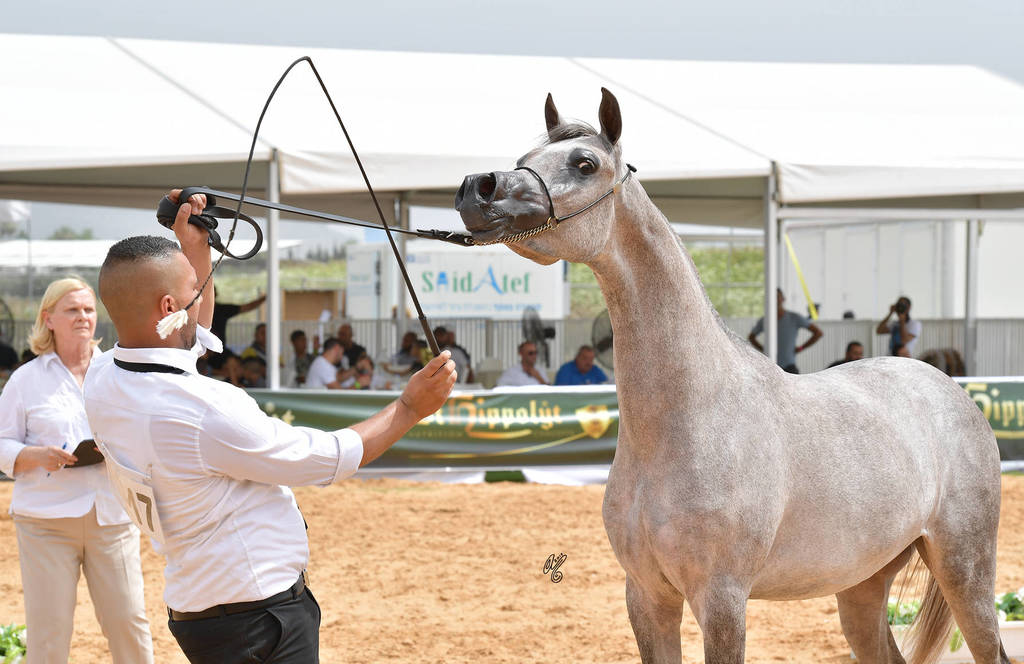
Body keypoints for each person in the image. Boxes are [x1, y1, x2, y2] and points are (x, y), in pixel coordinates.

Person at [83, 189, 456, 664]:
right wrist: (408, 408)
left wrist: (194, 248)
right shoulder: (203, 408)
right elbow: (322, 459)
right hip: (257, 618)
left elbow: (187, 338)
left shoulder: (102, 376)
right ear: (168, 306)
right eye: (197, 286)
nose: (203, 290)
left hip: (200, 610)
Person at [0, 277, 153, 664]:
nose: (83, 316)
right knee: (49, 633)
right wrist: (35, 455)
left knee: (129, 624)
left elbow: (144, 430)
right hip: (45, 524)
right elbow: (2, 443)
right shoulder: (25, 380)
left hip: (113, 518)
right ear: (48, 319)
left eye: (88, 309)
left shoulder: (118, 371)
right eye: (72, 310)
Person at [748, 289, 823, 374]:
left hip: (789, 367)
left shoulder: (794, 317)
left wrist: (801, 348)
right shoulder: (765, 320)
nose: (775, 299)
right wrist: (763, 349)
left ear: (783, 299)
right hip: (770, 367)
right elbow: (751, 337)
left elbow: (818, 333)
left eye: (777, 297)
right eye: (772, 297)